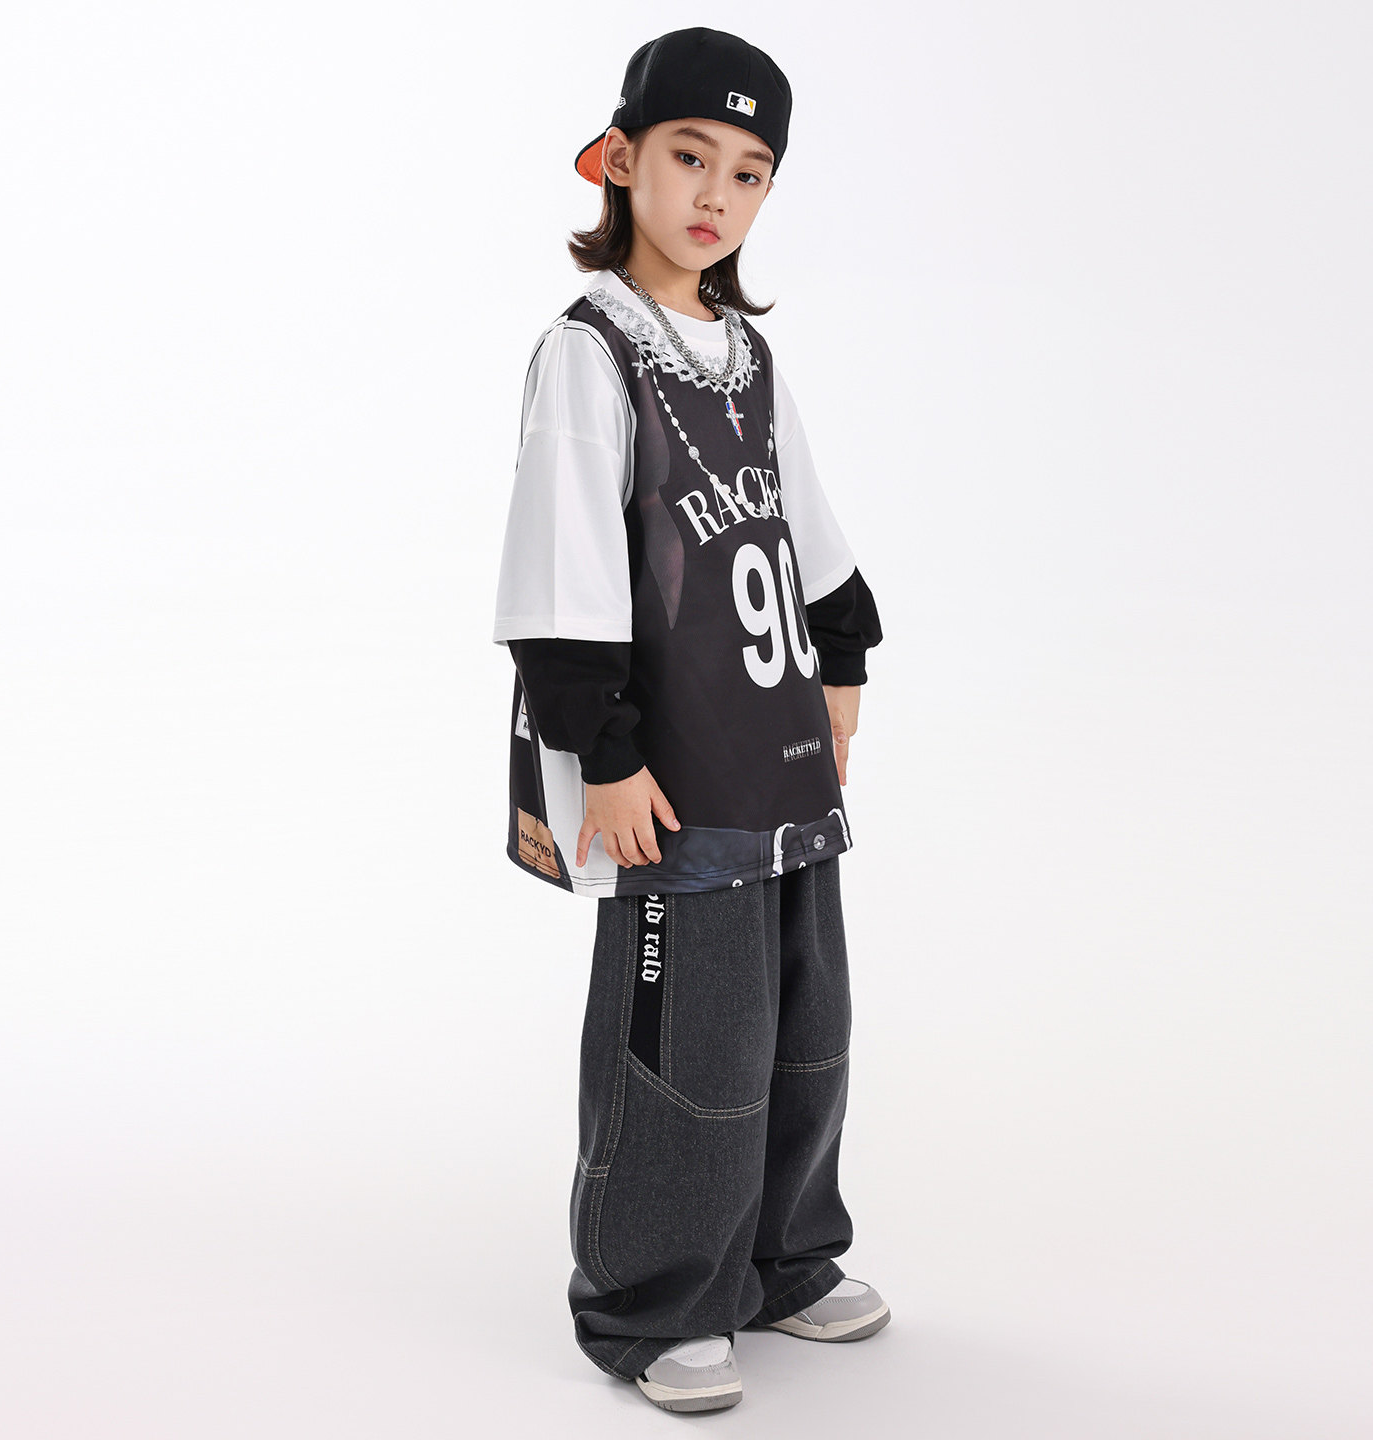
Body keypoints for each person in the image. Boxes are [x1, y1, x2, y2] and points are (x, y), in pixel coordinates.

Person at [491, 27, 887, 1414]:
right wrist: (601, 755)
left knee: (805, 1025)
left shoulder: (748, 358)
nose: (717, 193)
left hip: (778, 753)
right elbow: (559, 577)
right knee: (686, 1044)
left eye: (750, 171)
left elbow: (807, 532)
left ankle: (783, 1258)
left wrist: (844, 661)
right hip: (669, 773)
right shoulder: (591, 352)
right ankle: (654, 1298)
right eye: (689, 156)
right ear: (620, 160)